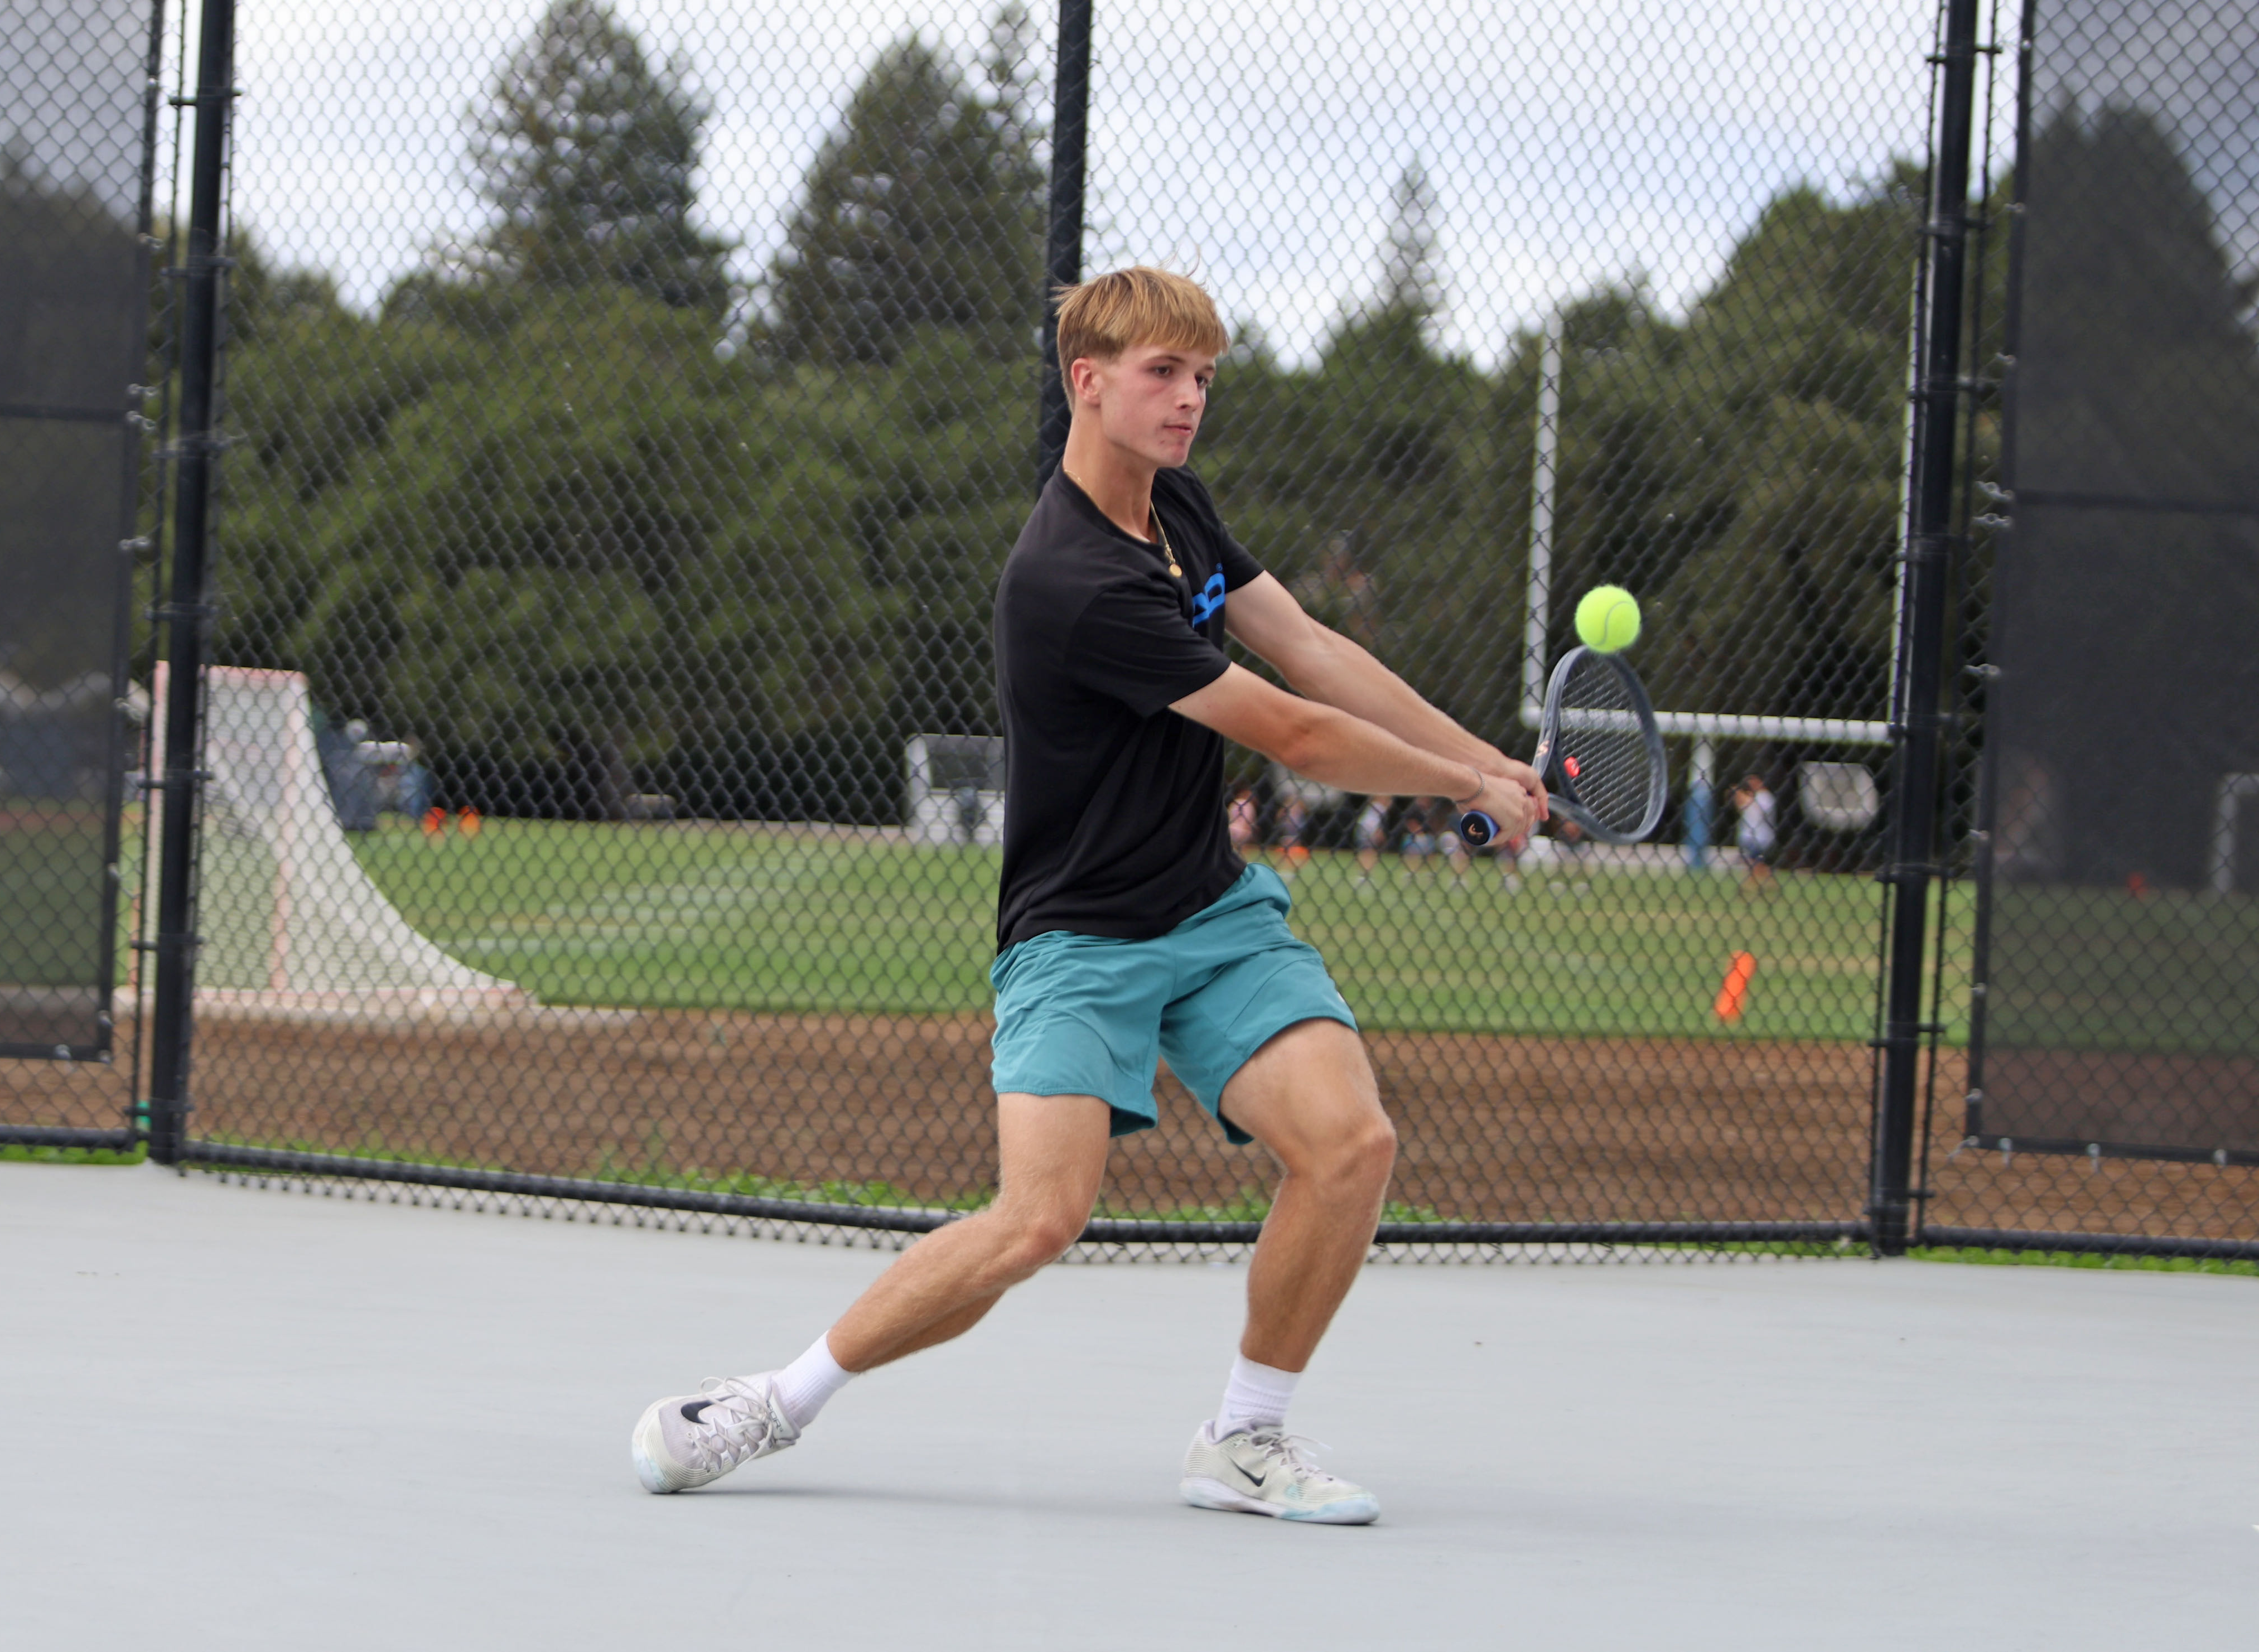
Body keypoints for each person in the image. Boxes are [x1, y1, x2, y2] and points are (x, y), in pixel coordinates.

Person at [630, 267, 1543, 1525]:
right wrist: (1459, 786)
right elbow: (1291, 727)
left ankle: (1244, 1436)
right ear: (1088, 380)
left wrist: (1485, 762)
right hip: (1077, 934)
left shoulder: (1178, 512)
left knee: (1351, 1144)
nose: (1187, 401)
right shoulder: (1068, 579)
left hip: (1211, 915)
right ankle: (775, 1400)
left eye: (1203, 377)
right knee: (1035, 1219)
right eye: (1162, 374)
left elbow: (1314, 649)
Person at [1731, 772, 1777, 892]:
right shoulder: (1753, 796)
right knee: (1756, 864)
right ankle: (1769, 885)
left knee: (1753, 863)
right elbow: (1742, 807)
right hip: (1748, 835)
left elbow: (1759, 810)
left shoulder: (1765, 797)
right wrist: (1738, 796)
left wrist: (1743, 796)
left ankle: (1748, 886)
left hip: (1760, 836)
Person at [1352, 793, 1393, 886]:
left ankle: (1363, 874)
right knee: (1369, 852)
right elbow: (1377, 822)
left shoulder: (1374, 806)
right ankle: (1365, 874)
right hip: (1369, 830)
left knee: (1367, 851)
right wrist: (1379, 834)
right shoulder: (1380, 808)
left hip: (1364, 828)